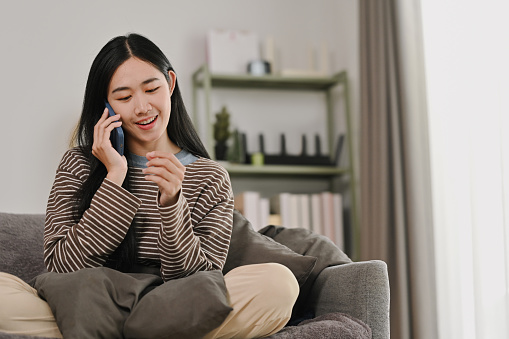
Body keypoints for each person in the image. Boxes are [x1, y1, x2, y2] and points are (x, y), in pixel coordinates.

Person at [0, 33, 299, 338]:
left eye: (151, 89)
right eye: (124, 97)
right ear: (105, 104)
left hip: (174, 305)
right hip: (91, 301)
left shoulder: (210, 177)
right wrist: (114, 177)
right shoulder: (78, 163)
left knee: (277, 284)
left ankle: (115, 332)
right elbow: (63, 269)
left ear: (170, 84)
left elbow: (201, 281)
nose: (142, 107)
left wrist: (172, 203)